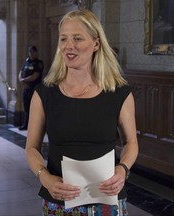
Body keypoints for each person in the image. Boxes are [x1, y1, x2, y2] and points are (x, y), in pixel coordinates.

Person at [25, 9, 139, 215]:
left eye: (77, 38)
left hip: (106, 201)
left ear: (96, 44)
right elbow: (31, 147)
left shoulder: (119, 92)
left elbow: (132, 143)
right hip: (59, 200)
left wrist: (122, 170)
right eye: (64, 39)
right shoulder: (44, 93)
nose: (69, 45)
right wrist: (45, 177)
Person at [18, 45, 44, 130]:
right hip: (26, 89)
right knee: (26, 107)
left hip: (34, 89)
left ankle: (36, 126)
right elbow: (21, 72)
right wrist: (20, 79)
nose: (31, 54)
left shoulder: (38, 63)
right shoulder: (27, 62)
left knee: (35, 108)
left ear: (36, 53)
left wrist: (24, 80)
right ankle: (26, 124)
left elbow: (35, 76)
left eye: (33, 52)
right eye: (30, 52)